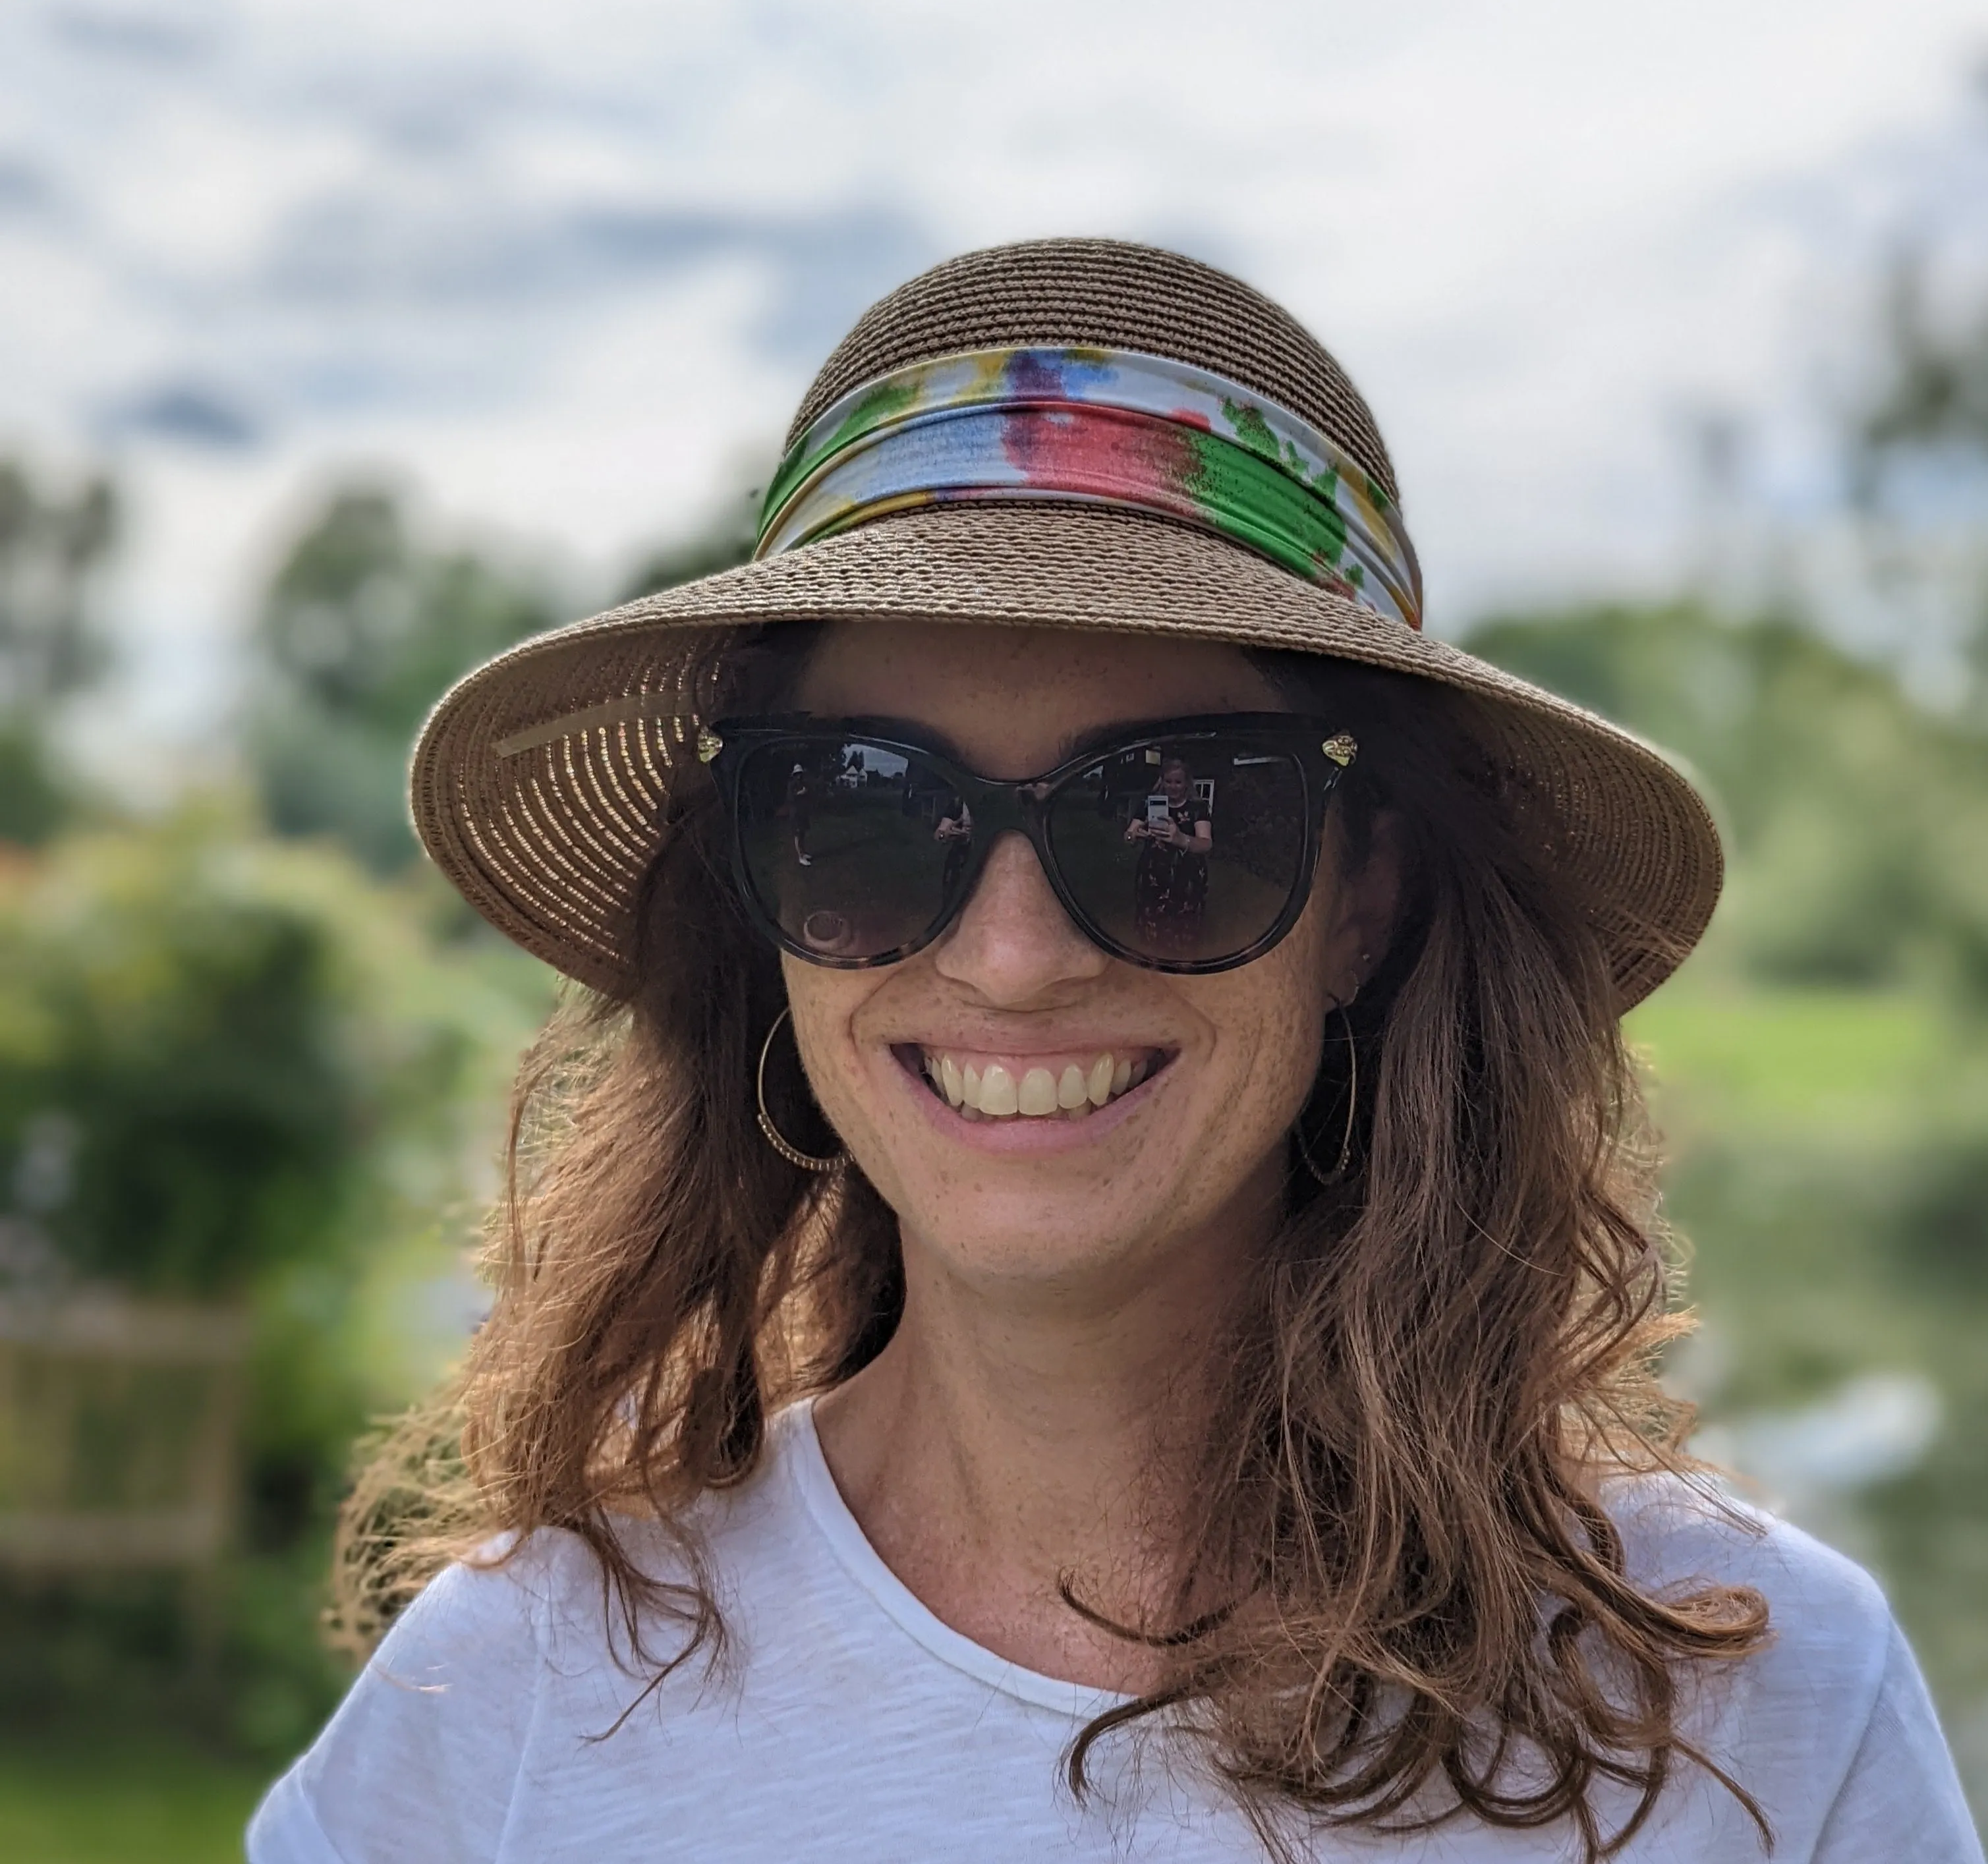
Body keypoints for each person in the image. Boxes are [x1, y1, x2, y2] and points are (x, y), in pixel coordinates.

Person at [250, 240, 1982, 1863]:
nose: (1012, 958)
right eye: (866, 819)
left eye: (1176, 821)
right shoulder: (504, 1705)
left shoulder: (1760, 1711)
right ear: (756, 899)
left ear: (1363, 895)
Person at [1127, 752, 1214, 955]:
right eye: (1168, 781)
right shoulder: (1151, 804)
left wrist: (1181, 839)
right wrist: (1135, 835)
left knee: (1184, 934)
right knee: (1152, 934)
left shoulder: (1197, 808)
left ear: (1186, 783)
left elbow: (1206, 844)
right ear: (1162, 781)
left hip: (1187, 877)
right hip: (1153, 875)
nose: (1173, 786)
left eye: (1178, 782)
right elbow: (1129, 836)